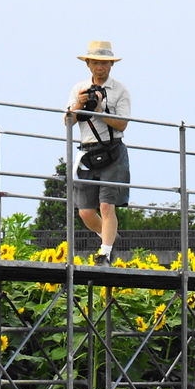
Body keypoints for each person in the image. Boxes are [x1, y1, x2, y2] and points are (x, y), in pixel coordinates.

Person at [66, 41, 132, 266]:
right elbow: (67, 121)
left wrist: (100, 110)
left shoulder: (120, 90)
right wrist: (79, 105)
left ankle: (104, 253)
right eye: (95, 62)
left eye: (104, 63)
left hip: (112, 151)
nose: (99, 67)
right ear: (87, 64)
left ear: (111, 65)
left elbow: (122, 125)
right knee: (84, 211)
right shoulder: (79, 89)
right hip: (87, 152)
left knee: (106, 205)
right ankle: (111, 239)